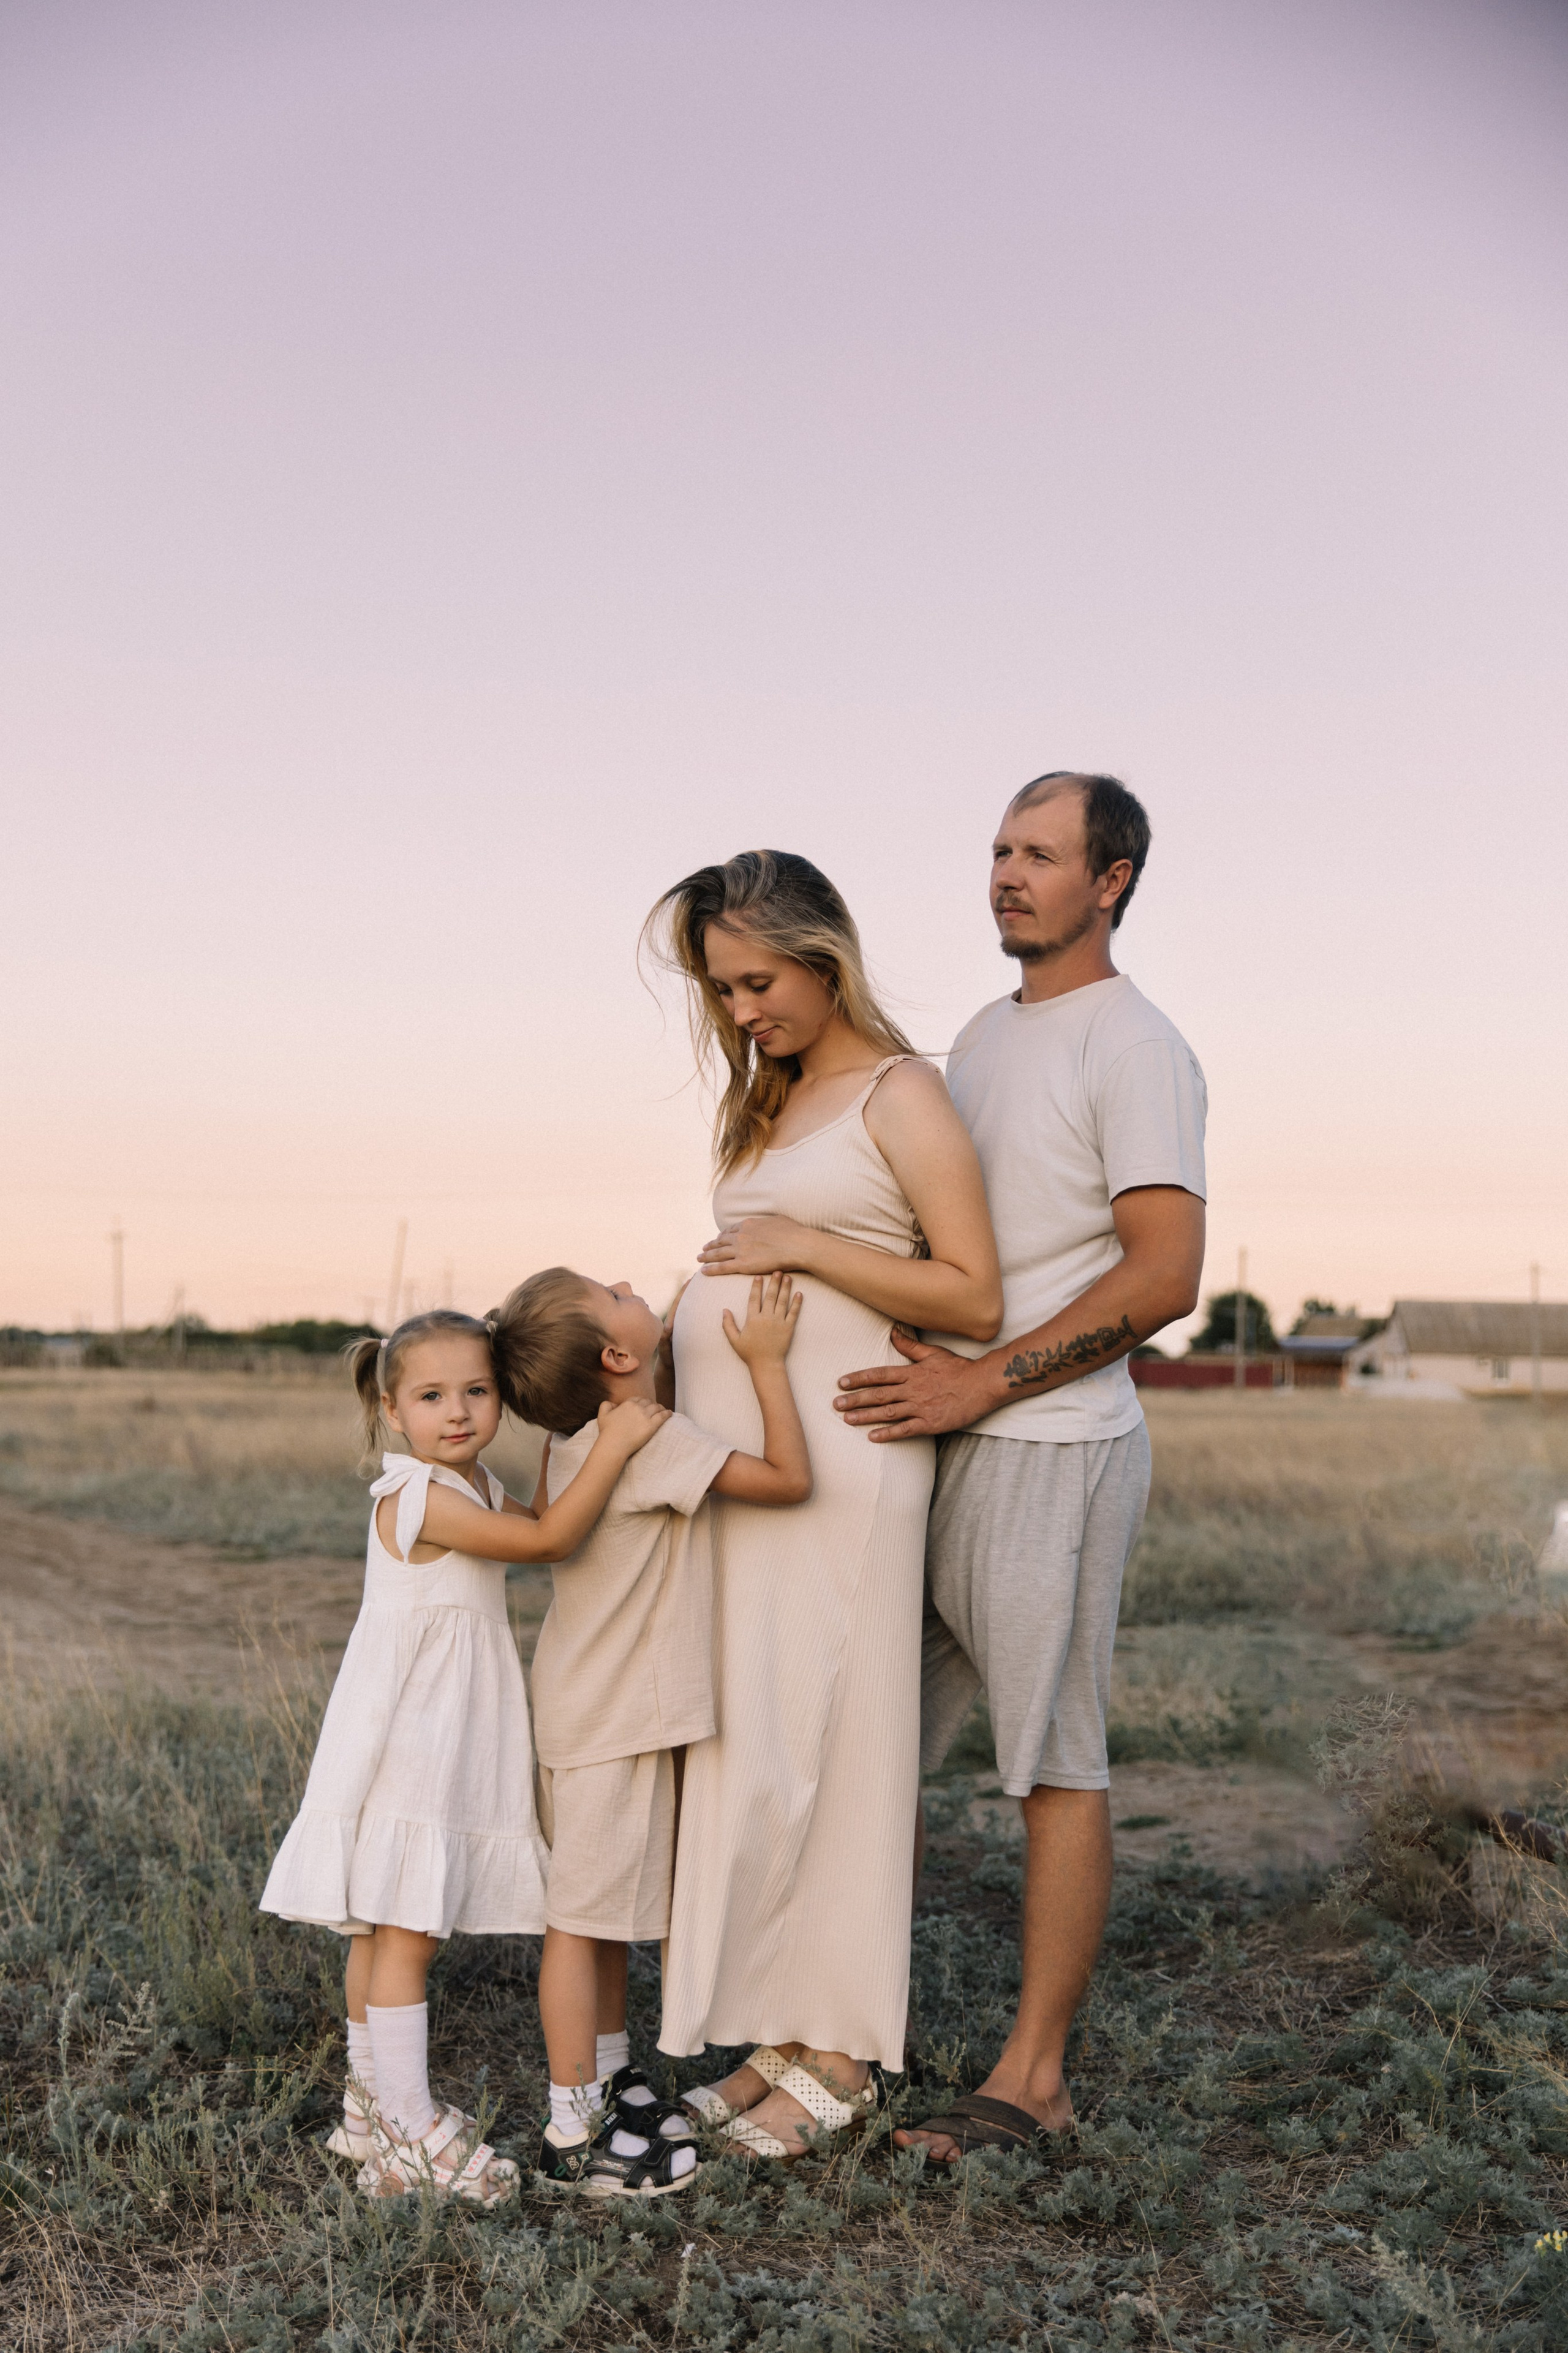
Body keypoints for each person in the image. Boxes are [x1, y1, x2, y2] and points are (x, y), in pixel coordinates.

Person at [834, 772, 1207, 2164]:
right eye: (999, 849)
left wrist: (978, 1381)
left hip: (1053, 1449)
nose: (1006, 873)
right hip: (936, 1442)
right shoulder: (983, 1036)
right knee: (870, 1743)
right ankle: (832, 2035)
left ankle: (1032, 2081)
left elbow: (1163, 1275)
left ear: (1109, 881)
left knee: (1052, 1762)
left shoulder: (1138, 1044)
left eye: (1041, 853)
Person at [646, 850, 1003, 2160]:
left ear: (822, 955)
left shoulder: (902, 1091)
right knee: (759, 1739)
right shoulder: (772, 1098)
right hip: (746, 1472)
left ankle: (843, 2052)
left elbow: (971, 1294)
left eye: (757, 982)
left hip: (847, 1467)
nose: (741, 1011)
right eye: (722, 990)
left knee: (839, 1742)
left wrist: (800, 1244)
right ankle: (781, 2029)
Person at [260, 1307, 667, 2205]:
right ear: (391, 1409)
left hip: (441, 1731)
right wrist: (616, 1444)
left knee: (387, 1925)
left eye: (477, 1391)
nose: (458, 1411)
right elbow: (550, 1542)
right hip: (414, 1735)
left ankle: (369, 2110)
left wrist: (580, 1439)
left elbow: (550, 1517)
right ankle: (408, 2124)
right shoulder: (417, 1497)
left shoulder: (476, 1482)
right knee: (404, 1928)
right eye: (432, 1396)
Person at [489, 1264, 812, 2196]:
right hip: (618, 1719)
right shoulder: (653, 1440)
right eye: (613, 1291)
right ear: (616, 1357)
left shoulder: (572, 1439)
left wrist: (656, 1337)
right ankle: (572, 2129)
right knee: (579, 1925)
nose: (630, 1281)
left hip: (585, 1701)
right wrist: (768, 1363)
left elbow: (638, 1375)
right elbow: (788, 1480)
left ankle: (610, 2078)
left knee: (600, 1918)